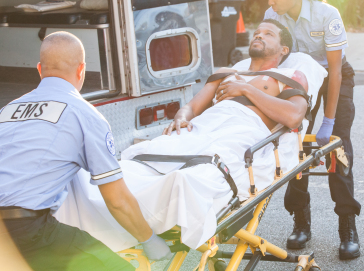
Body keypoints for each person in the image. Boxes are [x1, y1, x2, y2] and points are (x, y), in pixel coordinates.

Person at [54, 20, 319, 251]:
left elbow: (294, 116)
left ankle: (174, 194)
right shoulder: (227, 73)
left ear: (284, 50)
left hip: (243, 129)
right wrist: (181, 119)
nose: (258, 36)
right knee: (146, 159)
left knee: (193, 171)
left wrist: (246, 90)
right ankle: (107, 197)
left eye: (268, 34)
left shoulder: (287, 75)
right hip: (206, 125)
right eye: (257, 32)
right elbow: (193, 107)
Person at [0, 32, 171, 271]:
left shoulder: (7, 110)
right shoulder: (84, 114)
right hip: (26, 231)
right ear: (81, 70)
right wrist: (150, 239)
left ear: (40, 69)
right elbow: (117, 200)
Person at [262, 0, 361, 260]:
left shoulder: (327, 15)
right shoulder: (272, 16)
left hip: (333, 79)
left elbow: (335, 71)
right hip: (300, 81)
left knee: (337, 146)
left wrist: (328, 121)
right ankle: (301, 222)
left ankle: (348, 226)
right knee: (294, 145)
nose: (270, 2)